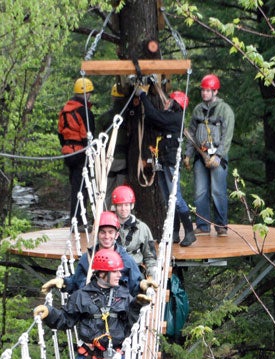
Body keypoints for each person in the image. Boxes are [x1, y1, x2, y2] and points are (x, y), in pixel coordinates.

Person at [135, 84, 197, 247]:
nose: (167, 102)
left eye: (170, 100)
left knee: (176, 198)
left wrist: (142, 95)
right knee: (169, 199)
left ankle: (189, 232)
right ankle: (175, 233)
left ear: (176, 103)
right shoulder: (169, 117)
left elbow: (154, 116)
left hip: (170, 161)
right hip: (163, 160)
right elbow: (151, 118)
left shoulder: (176, 118)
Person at [41, 211, 148, 296]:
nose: (107, 236)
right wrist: (63, 282)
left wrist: (143, 285)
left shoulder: (126, 260)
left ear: (117, 235)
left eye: (110, 232)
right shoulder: (87, 258)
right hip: (90, 312)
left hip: (117, 314)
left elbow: (135, 286)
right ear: (97, 234)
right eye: (103, 232)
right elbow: (76, 282)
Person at [185, 74, 235, 237]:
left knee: (218, 191)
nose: (204, 93)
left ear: (215, 91)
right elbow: (191, 133)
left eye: (207, 90)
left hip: (217, 157)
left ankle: (221, 226)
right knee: (200, 191)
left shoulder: (225, 110)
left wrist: (219, 156)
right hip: (201, 155)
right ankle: (203, 225)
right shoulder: (198, 109)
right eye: (203, 90)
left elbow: (227, 136)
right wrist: (188, 155)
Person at [58, 77, 96, 218]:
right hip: (81, 152)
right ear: (86, 94)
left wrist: (67, 148)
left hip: (68, 152)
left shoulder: (64, 111)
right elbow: (88, 136)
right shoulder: (84, 112)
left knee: (75, 186)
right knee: (82, 188)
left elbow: (61, 133)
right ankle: (79, 219)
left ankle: (76, 217)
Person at [111, 185, 158, 279]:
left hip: (134, 271)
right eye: (120, 205)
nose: (123, 209)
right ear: (115, 207)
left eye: (126, 205)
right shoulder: (108, 228)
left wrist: (152, 275)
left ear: (131, 206)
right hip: (112, 271)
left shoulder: (142, 228)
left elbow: (150, 257)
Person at [96, 84, 131, 208]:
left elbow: (97, 139)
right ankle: (119, 217)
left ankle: (104, 216)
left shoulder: (104, 118)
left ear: (112, 97)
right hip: (123, 160)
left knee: (107, 191)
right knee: (121, 191)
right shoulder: (129, 117)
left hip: (107, 159)